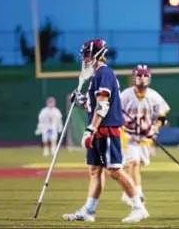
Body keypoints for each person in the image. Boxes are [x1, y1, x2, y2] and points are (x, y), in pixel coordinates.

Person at [63, 39, 149, 223]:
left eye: (87, 54)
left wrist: (90, 129)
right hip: (98, 130)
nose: (84, 59)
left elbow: (103, 105)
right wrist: (80, 100)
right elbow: (94, 102)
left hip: (106, 130)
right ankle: (89, 210)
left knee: (114, 170)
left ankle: (138, 207)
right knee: (95, 170)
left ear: (96, 55)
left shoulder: (104, 73)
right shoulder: (97, 76)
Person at [120, 64, 170, 205]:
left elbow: (162, 118)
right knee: (133, 162)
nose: (142, 78)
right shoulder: (125, 95)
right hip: (128, 135)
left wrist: (154, 128)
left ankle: (128, 191)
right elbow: (115, 114)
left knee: (137, 164)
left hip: (144, 138)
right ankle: (137, 194)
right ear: (134, 77)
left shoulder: (154, 96)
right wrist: (125, 123)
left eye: (145, 75)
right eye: (139, 75)